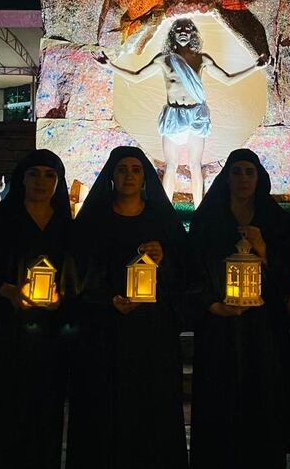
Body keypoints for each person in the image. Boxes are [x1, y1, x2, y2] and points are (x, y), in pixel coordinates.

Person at [67, 146, 188, 469]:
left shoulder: (161, 221)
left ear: (145, 177)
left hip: (152, 331)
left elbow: (184, 271)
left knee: (151, 406)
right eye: (122, 169)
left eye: (136, 169)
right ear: (111, 176)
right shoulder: (93, 221)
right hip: (103, 328)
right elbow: (78, 271)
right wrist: (107, 298)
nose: (129, 176)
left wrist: (163, 260)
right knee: (102, 405)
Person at [0, 149, 76, 469]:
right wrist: (5, 290)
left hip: (49, 339)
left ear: (59, 182)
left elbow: (80, 276)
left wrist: (64, 298)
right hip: (3, 336)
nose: (41, 182)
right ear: (22, 178)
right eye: (34, 174)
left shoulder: (67, 228)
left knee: (43, 413)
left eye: (50, 175)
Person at [188, 148, 290, 469]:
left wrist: (264, 251)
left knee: (261, 395)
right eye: (236, 172)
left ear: (259, 178)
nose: (243, 179)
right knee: (217, 397)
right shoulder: (207, 220)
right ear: (227, 178)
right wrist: (211, 304)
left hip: (263, 327)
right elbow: (191, 269)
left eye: (249, 172)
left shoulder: (276, 220)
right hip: (218, 326)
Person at [95, 18, 268, 207]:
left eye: (187, 29)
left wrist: (255, 67)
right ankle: (165, 211)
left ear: (193, 33)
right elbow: (137, 77)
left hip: (196, 116)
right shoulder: (164, 59)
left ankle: (199, 210)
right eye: (179, 29)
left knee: (195, 166)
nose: (183, 32)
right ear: (173, 34)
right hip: (174, 116)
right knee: (171, 165)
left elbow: (227, 79)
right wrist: (110, 66)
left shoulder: (202, 59)